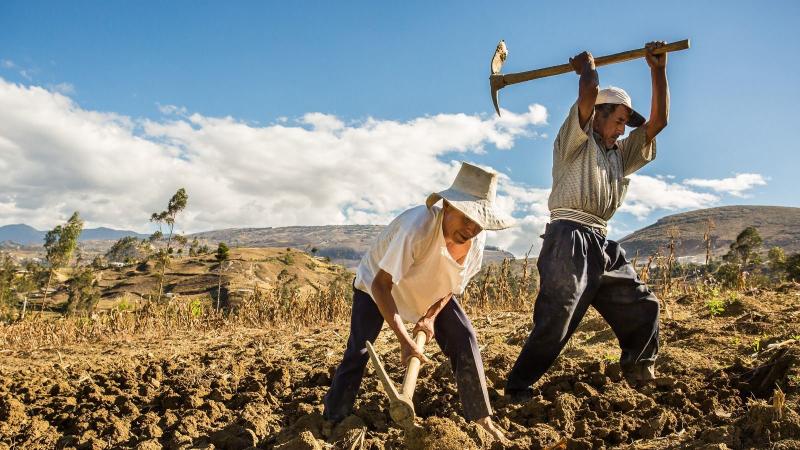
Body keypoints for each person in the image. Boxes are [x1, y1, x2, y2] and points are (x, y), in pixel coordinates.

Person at [505, 41, 671, 401]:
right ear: (598, 115)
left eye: (626, 124)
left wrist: (658, 70)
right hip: (569, 237)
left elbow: (658, 122)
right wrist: (587, 70)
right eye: (619, 121)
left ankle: (640, 371)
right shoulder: (575, 142)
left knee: (643, 305)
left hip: (602, 243)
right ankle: (517, 387)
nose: (623, 131)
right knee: (558, 316)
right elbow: (591, 91)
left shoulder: (619, 155)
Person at [323, 162, 512, 438]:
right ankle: (333, 418)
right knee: (359, 350)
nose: (471, 228)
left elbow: (452, 287)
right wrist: (404, 341)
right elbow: (381, 285)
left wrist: (429, 317)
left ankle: (481, 419)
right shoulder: (417, 228)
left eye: (479, 223)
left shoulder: (476, 243)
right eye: (466, 217)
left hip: (427, 291)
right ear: (447, 206)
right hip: (376, 287)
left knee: (464, 337)